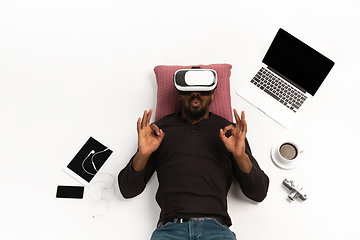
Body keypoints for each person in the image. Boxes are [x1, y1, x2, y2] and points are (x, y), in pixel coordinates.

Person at [118, 83, 269, 239]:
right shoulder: (158, 131)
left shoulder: (230, 132)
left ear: (212, 95)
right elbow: (127, 190)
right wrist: (143, 154)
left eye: (202, 90)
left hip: (216, 231)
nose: (195, 94)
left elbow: (258, 193)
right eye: (188, 89)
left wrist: (240, 155)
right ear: (178, 95)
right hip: (170, 230)